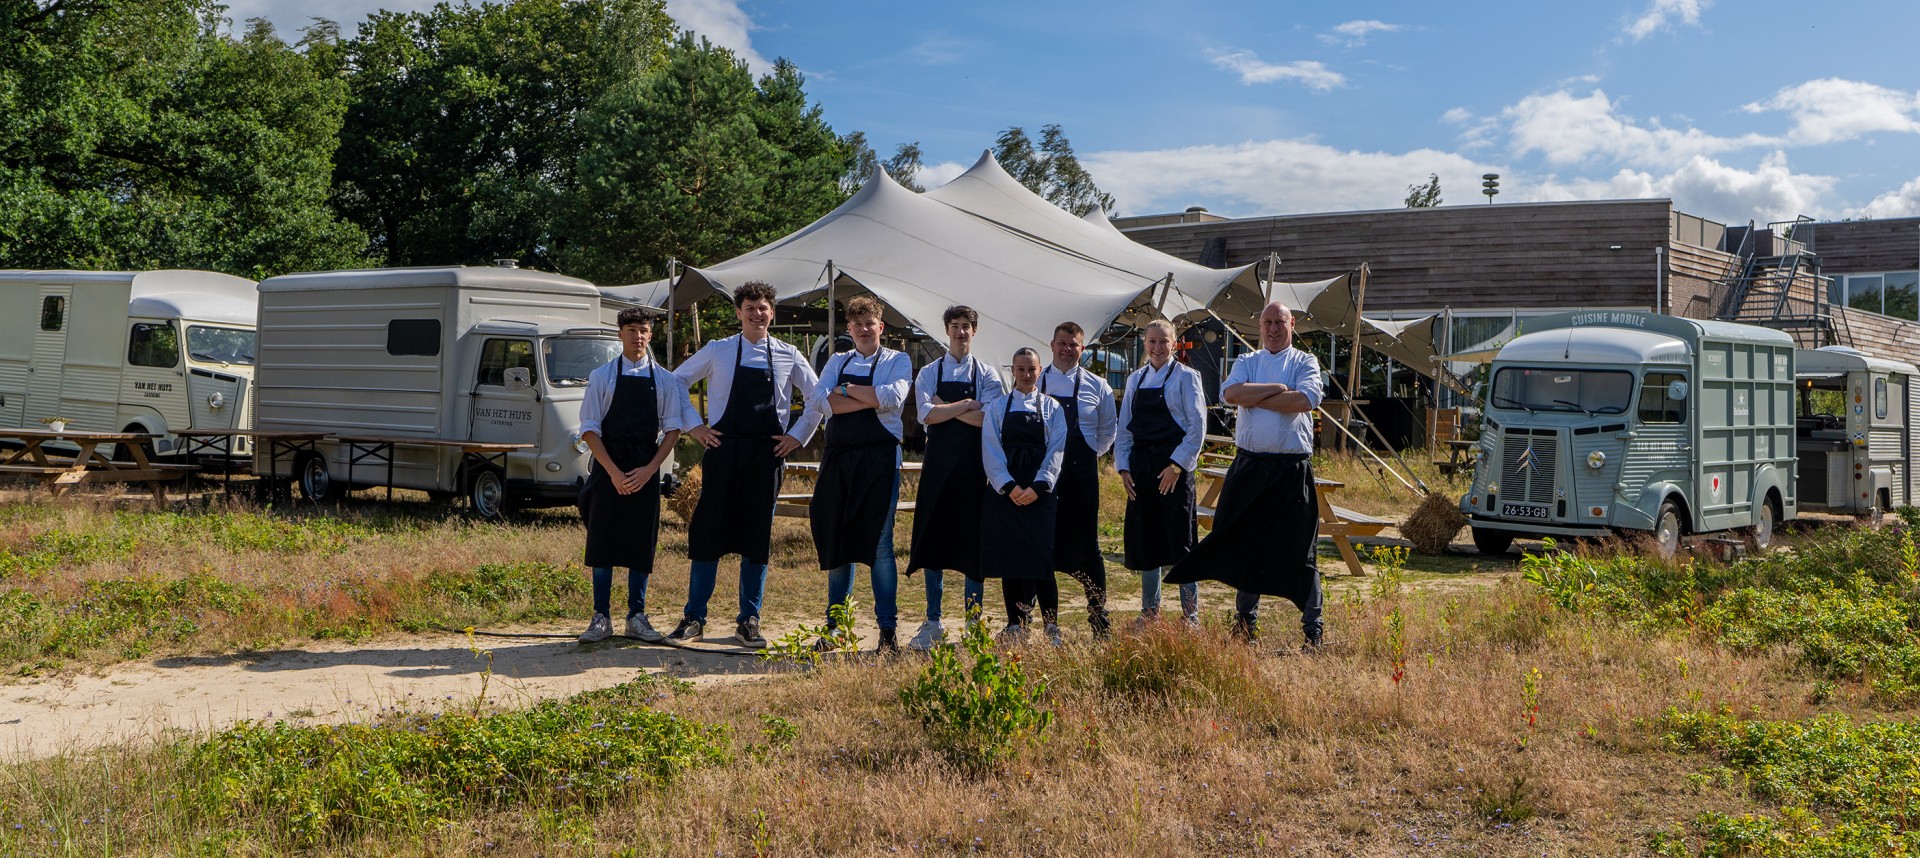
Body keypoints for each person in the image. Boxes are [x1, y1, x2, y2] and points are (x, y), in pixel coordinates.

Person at [1164, 301, 1326, 648]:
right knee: (1243, 542)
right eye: (1267, 322)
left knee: (1300, 548)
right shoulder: (1248, 361)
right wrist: (1278, 390)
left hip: (1291, 470)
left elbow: (1305, 401)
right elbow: (1230, 393)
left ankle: (1313, 629)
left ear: (1291, 323)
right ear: (1260, 325)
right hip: (1250, 466)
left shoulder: (1304, 362)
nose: (1272, 328)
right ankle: (1245, 624)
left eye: (1279, 322)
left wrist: (1257, 396)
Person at [671, 281, 822, 647]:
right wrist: (695, 427)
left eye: (764, 308)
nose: (757, 314)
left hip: (766, 457)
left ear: (773, 313)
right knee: (708, 533)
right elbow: (676, 381)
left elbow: (818, 397)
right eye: (750, 308)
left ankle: (749, 620)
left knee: (757, 538)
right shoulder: (718, 350)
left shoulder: (788, 354)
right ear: (738, 313)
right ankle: (694, 618)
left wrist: (797, 437)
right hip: (723, 452)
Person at [805, 295, 914, 652]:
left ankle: (887, 631)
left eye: (870, 324)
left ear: (880, 327)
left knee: (880, 545)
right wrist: (863, 397)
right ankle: (835, 627)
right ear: (849, 329)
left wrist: (845, 390)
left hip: (880, 460)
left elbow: (893, 397)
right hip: (839, 459)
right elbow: (819, 401)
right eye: (857, 324)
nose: (864, 330)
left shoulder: (897, 359)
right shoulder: (838, 359)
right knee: (838, 542)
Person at [576, 308, 686, 643]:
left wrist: (649, 470)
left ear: (650, 335)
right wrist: (611, 472)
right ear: (619, 334)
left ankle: (637, 616)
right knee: (602, 542)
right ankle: (600, 617)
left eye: (644, 330)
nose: (638, 336)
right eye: (631, 330)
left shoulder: (665, 380)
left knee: (641, 543)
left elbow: (672, 430)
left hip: (645, 467)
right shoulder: (602, 376)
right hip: (608, 468)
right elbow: (589, 429)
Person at [904, 305, 1004, 650]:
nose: (961, 332)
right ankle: (933, 621)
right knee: (934, 543)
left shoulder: (989, 374)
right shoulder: (929, 371)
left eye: (966, 327)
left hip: (974, 472)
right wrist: (968, 406)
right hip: (937, 470)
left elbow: (991, 420)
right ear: (946, 330)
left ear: (974, 331)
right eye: (955, 326)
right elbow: (926, 416)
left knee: (972, 545)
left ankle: (974, 623)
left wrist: (948, 407)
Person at [1114, 319, 1205, 626]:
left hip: (1173, 470)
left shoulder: (1187, 377)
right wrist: (1124, 468)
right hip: (1141, 470)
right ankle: (1149, 612)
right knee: (1147, 540)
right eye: (1151, 341)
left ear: (1174, 344)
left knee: (1182, 543)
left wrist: (1177, 466)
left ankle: (1190, 616)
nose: (1157, 347)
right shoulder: (1135, 379)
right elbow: (1124, 429)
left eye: (1163, 341)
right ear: (1144, 343)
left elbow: (1197, 428)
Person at [978, 347, 1067, 642]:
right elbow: (990, 450)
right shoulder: (998, 408)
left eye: (1032, 369)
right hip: (1007, 494)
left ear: (1040, 371)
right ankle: (1015, 624)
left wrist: (1039, 487)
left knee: (1042, 557)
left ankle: (1051, 624)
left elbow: (1057, 450)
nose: (1027, 375)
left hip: (1041, 493)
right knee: (1011, 557)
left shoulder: (1053, 408)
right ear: (1012, 371)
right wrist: (1009, 486)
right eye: (1021, 369)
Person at [1041, 321, 1117, 640]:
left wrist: (1087, 455)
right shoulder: (1036, 380)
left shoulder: (1099, 386)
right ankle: (1050, 624)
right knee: (1044, 547)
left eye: (1074, 344)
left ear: (1082, 349)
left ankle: (1099, 618)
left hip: (1081, 476)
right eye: (1062, 343)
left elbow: (1108, 431)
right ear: (1052, 344)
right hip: (1045, 478)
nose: (1067, 349)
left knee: (1089, 547)